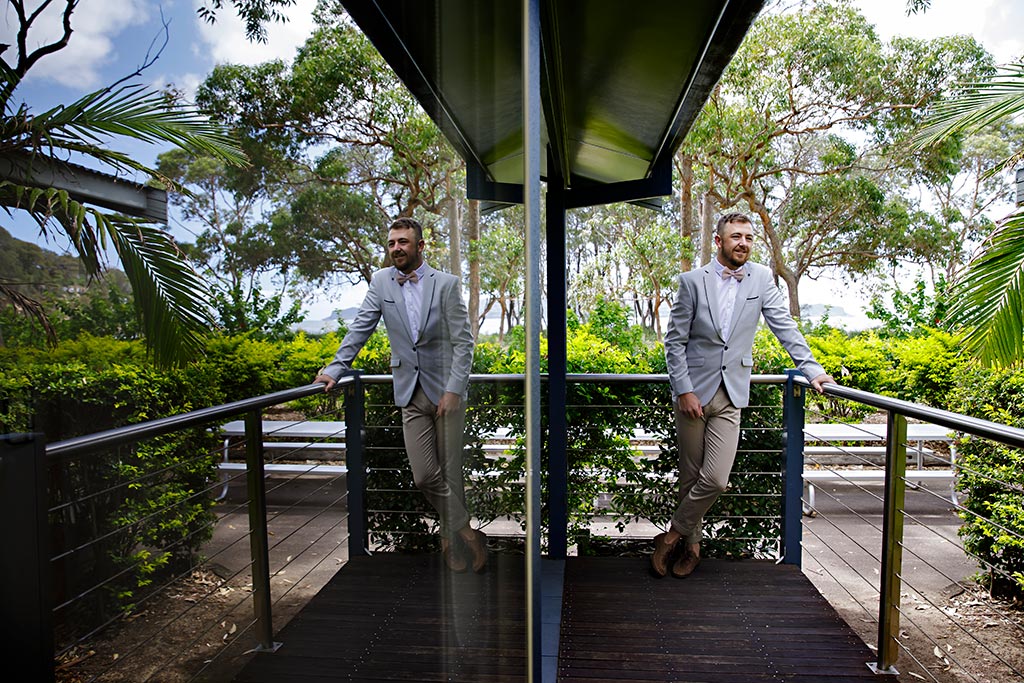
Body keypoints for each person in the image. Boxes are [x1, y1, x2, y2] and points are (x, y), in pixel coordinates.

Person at [654, 212, 835, 579]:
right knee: (691, 477)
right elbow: (675, 342)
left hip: (732, 392)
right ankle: (692, 548)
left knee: (716, 479)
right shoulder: (692, 281)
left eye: (749, 238)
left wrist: (812, 369)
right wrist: (684, 390)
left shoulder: (762, 278)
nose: (744, 243)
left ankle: (670, 536)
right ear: (718, 241)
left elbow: (784, 326)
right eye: (736, 236)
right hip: (693, 395)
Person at [315, 217, 488, 573]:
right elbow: (360, 327)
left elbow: (463, 343)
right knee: (426, 476)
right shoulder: (381, 282)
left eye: (404, 242)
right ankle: (469, 532)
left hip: (446, 395)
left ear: (420, 246)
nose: (396, 248)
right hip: (408, 393)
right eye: (392, 242)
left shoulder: (447, 284)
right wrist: (335, 369)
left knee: (451, 475)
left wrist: (455, 390)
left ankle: (449, 545)